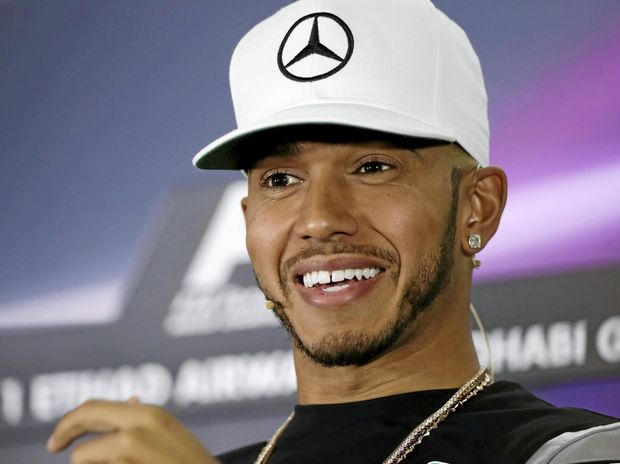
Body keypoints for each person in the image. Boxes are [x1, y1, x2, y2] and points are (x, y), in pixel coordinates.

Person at [47, 0, 620, 463]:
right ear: (248, 224)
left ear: (478, 207)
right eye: (280, 178)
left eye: (373, 167)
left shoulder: (572, 452)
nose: (319, 219)